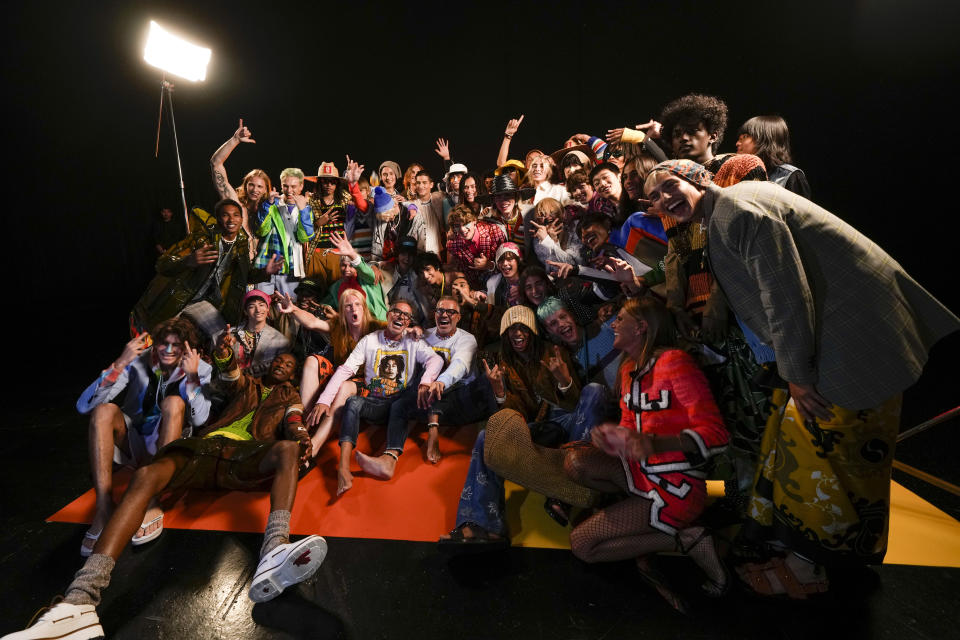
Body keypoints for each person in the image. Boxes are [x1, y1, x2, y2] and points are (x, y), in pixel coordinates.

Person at [644, 158, 960, 597]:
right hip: (837, 337)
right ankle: (826, 556)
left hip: (851, 339)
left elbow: (786, 295)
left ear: (698, 177)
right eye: (654, 196)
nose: (663, 199)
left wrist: (796, 375)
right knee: (799, 440)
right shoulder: (726, 213)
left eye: (669, 185)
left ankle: (812, 568)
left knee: (823, 449)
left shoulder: (737, 209)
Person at [11, 342, 329, 640]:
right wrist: (223, 352)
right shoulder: (248, 384)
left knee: (287, 450)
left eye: (288, 364)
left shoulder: (290, 397)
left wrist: (302, 440)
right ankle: (80, 601)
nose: (281, 365)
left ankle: (274, 547)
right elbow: (230, 373)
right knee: (147, 474)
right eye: (278, 360)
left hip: (245, 456)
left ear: (292, 373)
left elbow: (295, 422)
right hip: (205, 448)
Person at [561, 297, 730, 613]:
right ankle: (642, 518)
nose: (613, 323)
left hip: (675, 485)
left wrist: (656, 444)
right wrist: (610, 439)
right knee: (575, 461)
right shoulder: (626, 370)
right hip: (640, 472)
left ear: (641, 327)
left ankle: (684, 537)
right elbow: (629, 429)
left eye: (620, 318)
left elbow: (718, 435)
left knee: (582, 546)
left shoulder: (675, 362)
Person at [439, 305, 606, 547]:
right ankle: (483, 525)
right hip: (532, 427)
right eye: (511, 329)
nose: (517, 333)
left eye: (522, 327)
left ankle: (571, 489)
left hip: (566, 424)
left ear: (532, 331)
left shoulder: (553, 351)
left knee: (595, 391)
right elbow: (512, 416)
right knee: (487, 436)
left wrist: (564, 381)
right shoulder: (502, 362)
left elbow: (578, 407)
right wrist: (499, 393)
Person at [75, 318, 212, 557]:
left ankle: (152, 498)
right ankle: (104, 507)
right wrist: (119, 364)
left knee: (173, 402)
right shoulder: (137, 363)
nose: (168, 350)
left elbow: (200, 420)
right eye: (163, 344)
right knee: (103, 411)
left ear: (186, 347)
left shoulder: (200, 368)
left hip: (170, 447)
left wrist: (191, 378)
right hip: (135, 443)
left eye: (176, 345)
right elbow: (84, 407)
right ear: (154, 344)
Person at [312, 299, 444, 495]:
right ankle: (343, 467)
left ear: (408, 323)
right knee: (353, 402)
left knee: (407, 399)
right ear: (388, 315)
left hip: (401, 404)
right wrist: (324, 399)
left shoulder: (413, 342)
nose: (400, 317)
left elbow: (436, 359)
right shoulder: (370, 340)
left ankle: (388, 460)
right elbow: (346, 369)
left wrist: (425, 381)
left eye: (406, 316)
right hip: (375, 403)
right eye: (397, 312)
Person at [356, 295, 491, 474]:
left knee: (443, 366)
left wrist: (440, 382)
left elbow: (459, 366)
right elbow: (397, 335)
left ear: (459, 317)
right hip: (427, 401)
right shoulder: (424, 334)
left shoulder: (467, 339)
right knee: (399, 404)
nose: (444, 315)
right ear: (434, 314)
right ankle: (389, 459)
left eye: (451, 312)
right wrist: (412, 330)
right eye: (440, 311)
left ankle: (433, 430)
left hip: (457, 401)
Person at [132, 199, 281, 331]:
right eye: (225, 215)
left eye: (236, 215)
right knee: (161, 337)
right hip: (181, 298)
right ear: (217, 219)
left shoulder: (241, 245)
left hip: (206, 302)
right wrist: (188, 261)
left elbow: (244, 276)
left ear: (242, 219)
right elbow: (162, 265)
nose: (231, 219)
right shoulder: (201, 239)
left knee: (221, 335)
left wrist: (265, 272)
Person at [209, 119, 271, 255]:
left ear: (267, 189)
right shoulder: (236, 205)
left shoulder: (270, 211)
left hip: (264, 270)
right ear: (245, 186)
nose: (255, 190)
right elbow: (215, 163)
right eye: (251, 185)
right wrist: (235, 140)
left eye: (260, 186)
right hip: (237, 269)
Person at [304, 159, 372, 276]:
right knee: (316, 291)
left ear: (337, 183)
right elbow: (303, 232)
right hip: (317, 251)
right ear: (319, 182)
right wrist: (318, 223)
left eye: (332, 182)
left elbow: (364, 200)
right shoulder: (311, 201)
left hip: (339, 252)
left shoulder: (345, 198)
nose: (329, 185)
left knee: (338, 290)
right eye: (325, 181)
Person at [254, 168, 315, 298]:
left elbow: (305, 237)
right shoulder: (272, 204)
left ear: (301, 186)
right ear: (281, 185)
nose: (289, 190)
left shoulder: (306, 208)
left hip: (291, 268)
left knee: (289, 308)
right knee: (261, 304)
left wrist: (303, 210)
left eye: (293, 186)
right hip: (267, 264)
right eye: (285, 186)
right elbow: (261, 231)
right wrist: (268, 204)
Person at [537, 296, 620, 388]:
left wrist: (615, 304)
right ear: (549, 331)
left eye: (563, 317)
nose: (561, 324)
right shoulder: (565, 361)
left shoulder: (604, 326)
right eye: (553, 323)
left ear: (571, 315)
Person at [211, 290, 291, 378]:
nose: (258, 310)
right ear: (245, 311)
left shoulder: (280, 341)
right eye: (252, 306)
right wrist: (221, 350)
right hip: (228, 385)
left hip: (259, 388)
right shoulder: (223, 336)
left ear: (268, 308)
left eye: (261, 305)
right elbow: (216, 370)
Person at [736, 115, 811, 198]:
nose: (737, 143)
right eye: (739, 139)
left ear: (763, 139)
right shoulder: (737, 175)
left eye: (744, 137)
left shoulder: (790, 177)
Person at [319, 232, 388, 321]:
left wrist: (352, 254)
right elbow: (326, 304)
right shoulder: (336, 287)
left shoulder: (368, 278)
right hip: (352, 328)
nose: (347, 269)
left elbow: (364, 269)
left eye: (351, 266)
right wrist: (326, 308)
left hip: (376, 325)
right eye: (343, 265)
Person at [446, 204, 507, 290]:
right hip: (476, 286)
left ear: (474, 222)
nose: (462, 229)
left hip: (502, 280)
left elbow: (508, 263)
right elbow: (466, 272)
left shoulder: (494, 231)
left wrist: (489, 265)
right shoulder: (453, 244)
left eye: (466, 223)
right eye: (457, 226)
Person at [659, 93, 729, 165]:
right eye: (677, 134)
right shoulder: (666, 173)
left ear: (712, 136)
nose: (683, 138)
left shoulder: (731, 168)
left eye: (692, 131)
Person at [370, 186, 425, 266]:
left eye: (389, 216)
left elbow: (421, 245)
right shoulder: (380, 219)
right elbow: (376, 246)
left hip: (410, 264)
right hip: (387, 265)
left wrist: (418, 265)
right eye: (385, 219)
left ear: (395, 206)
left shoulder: (413, 216)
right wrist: (375, 265)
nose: (388, 220)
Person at [478, 175, 535, 247]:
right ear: (494, 200)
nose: (503, 201)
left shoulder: (530, 215)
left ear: (516, 197)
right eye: (498, 197)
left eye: (507, 195)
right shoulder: (488, 221)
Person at [411, 169, 450, 255]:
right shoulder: (412, 205)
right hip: (419, 252)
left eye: (424, 182)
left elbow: (452, 189)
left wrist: (446, 159)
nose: (421, 186)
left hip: (438, 251)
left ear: (431, 184)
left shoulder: (439, 198)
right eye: (418, 183)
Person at [485, 242, 524, 307]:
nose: (505, 263)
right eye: (501, 260)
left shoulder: (529, 280)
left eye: (509, 259)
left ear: (518, 261)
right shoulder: (493, 283)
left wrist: (524, 292)